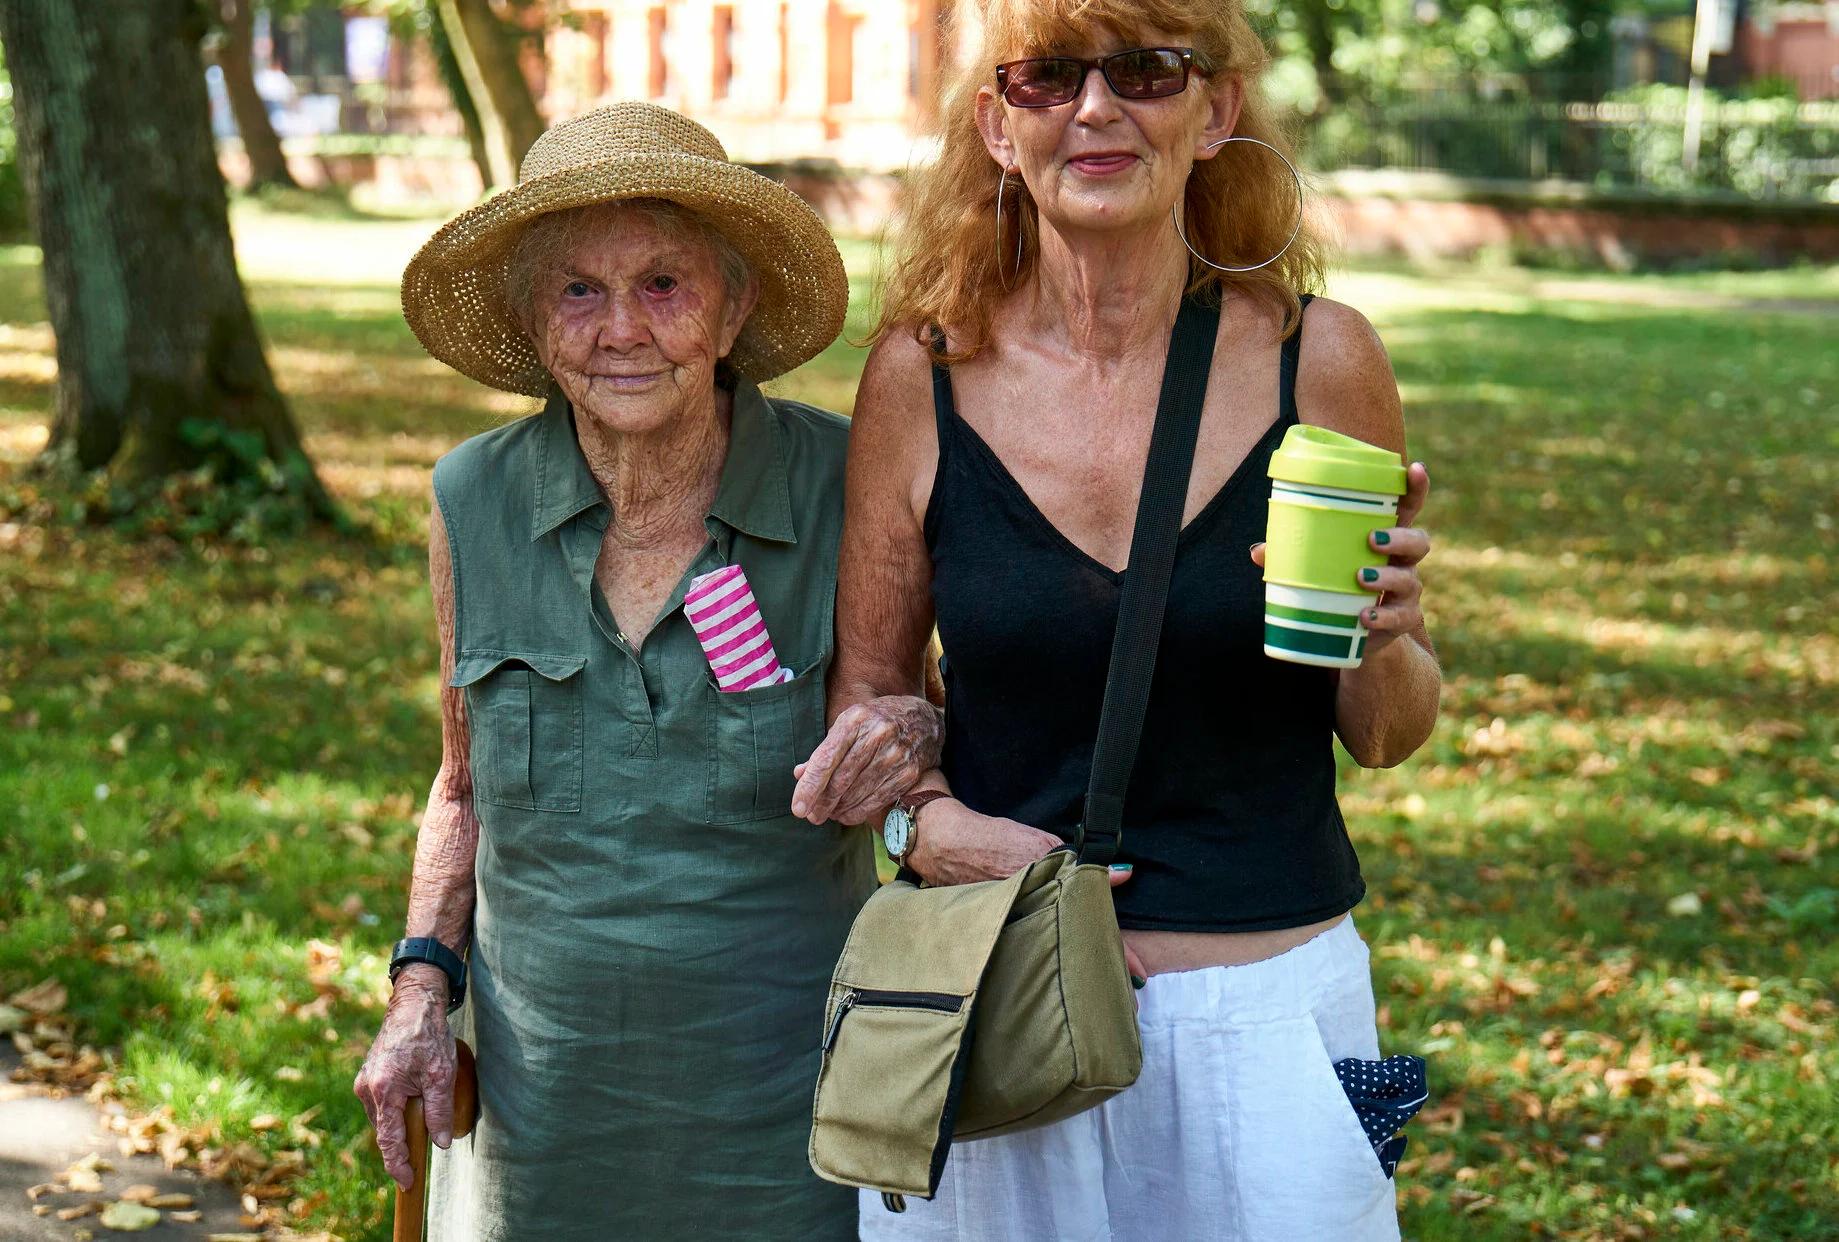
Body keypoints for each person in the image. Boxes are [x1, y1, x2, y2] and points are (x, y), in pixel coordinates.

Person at [804, 1, 1440, 1237]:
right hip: (1000, 1015)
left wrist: (1389, 638)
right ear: (996, 125)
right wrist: (930, 825)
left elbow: (1386, 735)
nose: (1096, 111)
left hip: (1268, 1028)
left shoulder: (1322, 361)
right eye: (1048, 79)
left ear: (1217, 114)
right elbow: (866, 690)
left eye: (1146, 72)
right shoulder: (918, 379)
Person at [352, 103, 941, 1240]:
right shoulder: (471, 499)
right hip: (544, 1112)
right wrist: (421, 990)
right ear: (534, 323)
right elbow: (462, 783)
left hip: (793, 1112)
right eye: (577, 290)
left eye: (664, 284)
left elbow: (919, 715)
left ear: (736, 306)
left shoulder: (843, 481)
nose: (622, 328)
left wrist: (912, 738)